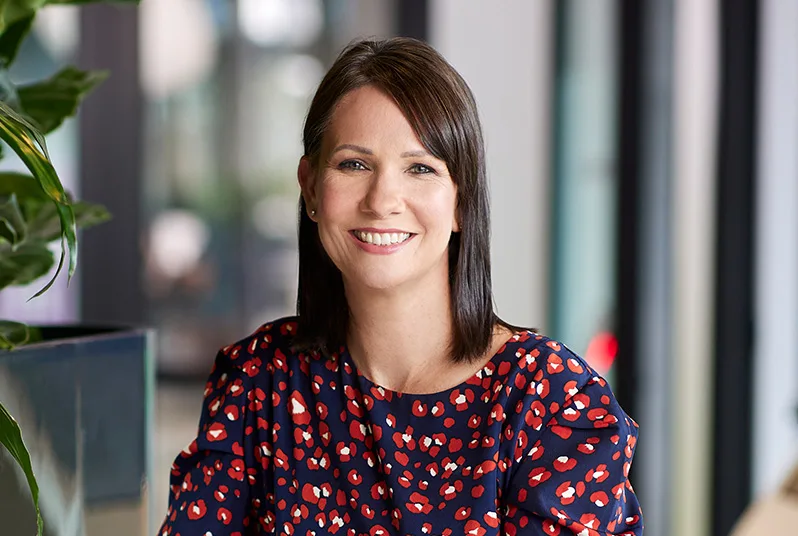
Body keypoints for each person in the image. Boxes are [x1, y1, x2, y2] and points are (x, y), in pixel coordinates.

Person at [158, 37, 643, 536]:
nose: (382, 198)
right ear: (310, 189)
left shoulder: (552, 401)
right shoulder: (260, 382)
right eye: (354, 164)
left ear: (461, 202)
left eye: (419, 168)